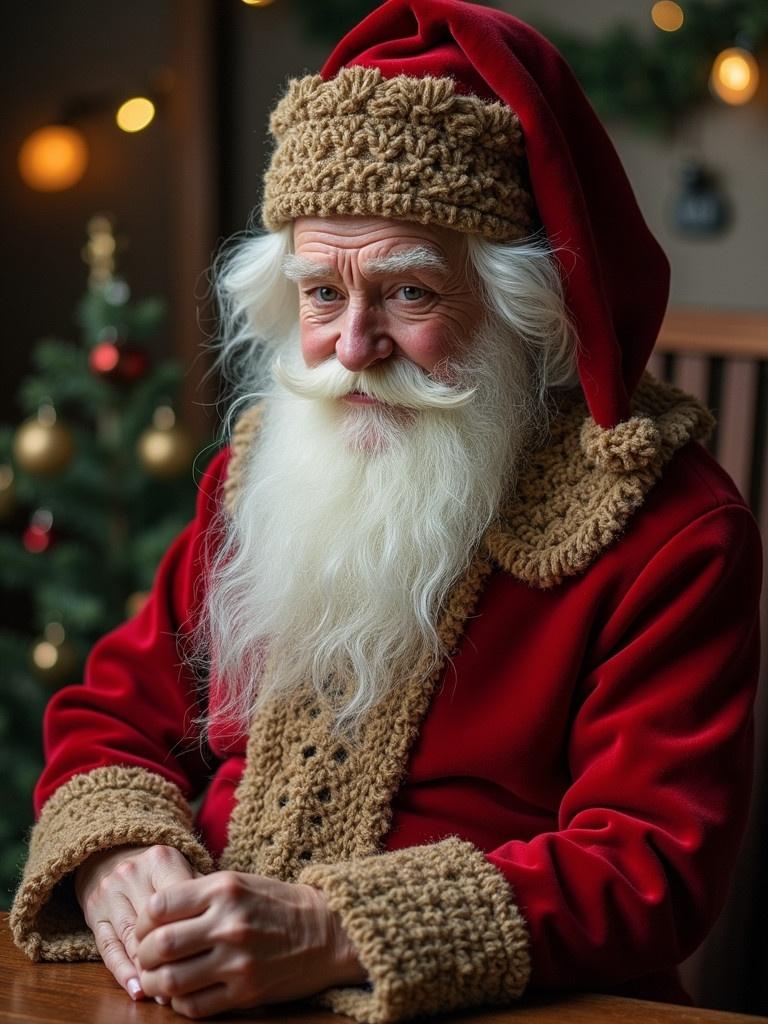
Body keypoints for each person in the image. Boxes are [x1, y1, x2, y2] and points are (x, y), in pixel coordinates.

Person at [11, 1, 762, 1021]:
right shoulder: (264, 469)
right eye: (322, 293)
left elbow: (646, 868)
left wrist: (329, 931)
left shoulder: (670, 529)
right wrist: (121, 857)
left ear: (518, 307)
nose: (352, 346)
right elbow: (114, 714)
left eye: (408, 293)